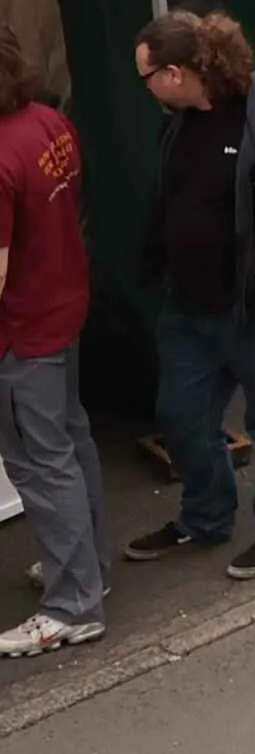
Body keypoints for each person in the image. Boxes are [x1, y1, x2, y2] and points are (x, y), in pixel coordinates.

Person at [129, 11, 255, 578]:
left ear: (175, 73)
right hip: (191, 305)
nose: (144, 90)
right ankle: (205, 515)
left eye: (145, 77)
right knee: (181, 414)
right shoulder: (181, 120)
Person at [0, 37, 92, 662]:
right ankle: (89, 569)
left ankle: (72, 607)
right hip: (63, 305)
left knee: (39, 461)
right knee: (72, 442)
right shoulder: (49, 122)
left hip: (20, 333)